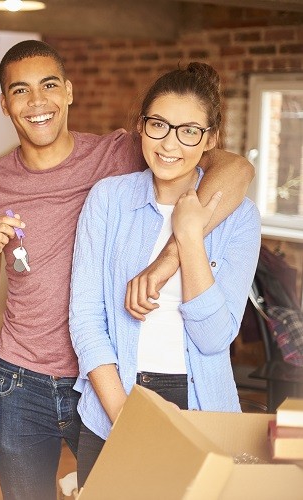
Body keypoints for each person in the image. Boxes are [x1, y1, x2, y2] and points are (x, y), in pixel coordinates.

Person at [0, 40, 254, 500]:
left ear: (69, 92)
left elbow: (234, 168)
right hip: (22, 383)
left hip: (98, 379)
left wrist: (168, 260)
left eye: (49, 86)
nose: (37, 102)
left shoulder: (119, 154)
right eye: (20, 91)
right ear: (4, 103)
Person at [69, 61, 261, 489]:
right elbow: (85, 318)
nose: (170, 142)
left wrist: (190, 236)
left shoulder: (239, 218)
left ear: (210, 140)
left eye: (189, 130)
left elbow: (214, 338)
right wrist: (124, 417)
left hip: (203, 409)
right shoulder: (108, 200)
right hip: (114, 404)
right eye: (158, 124)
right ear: (141, 127)